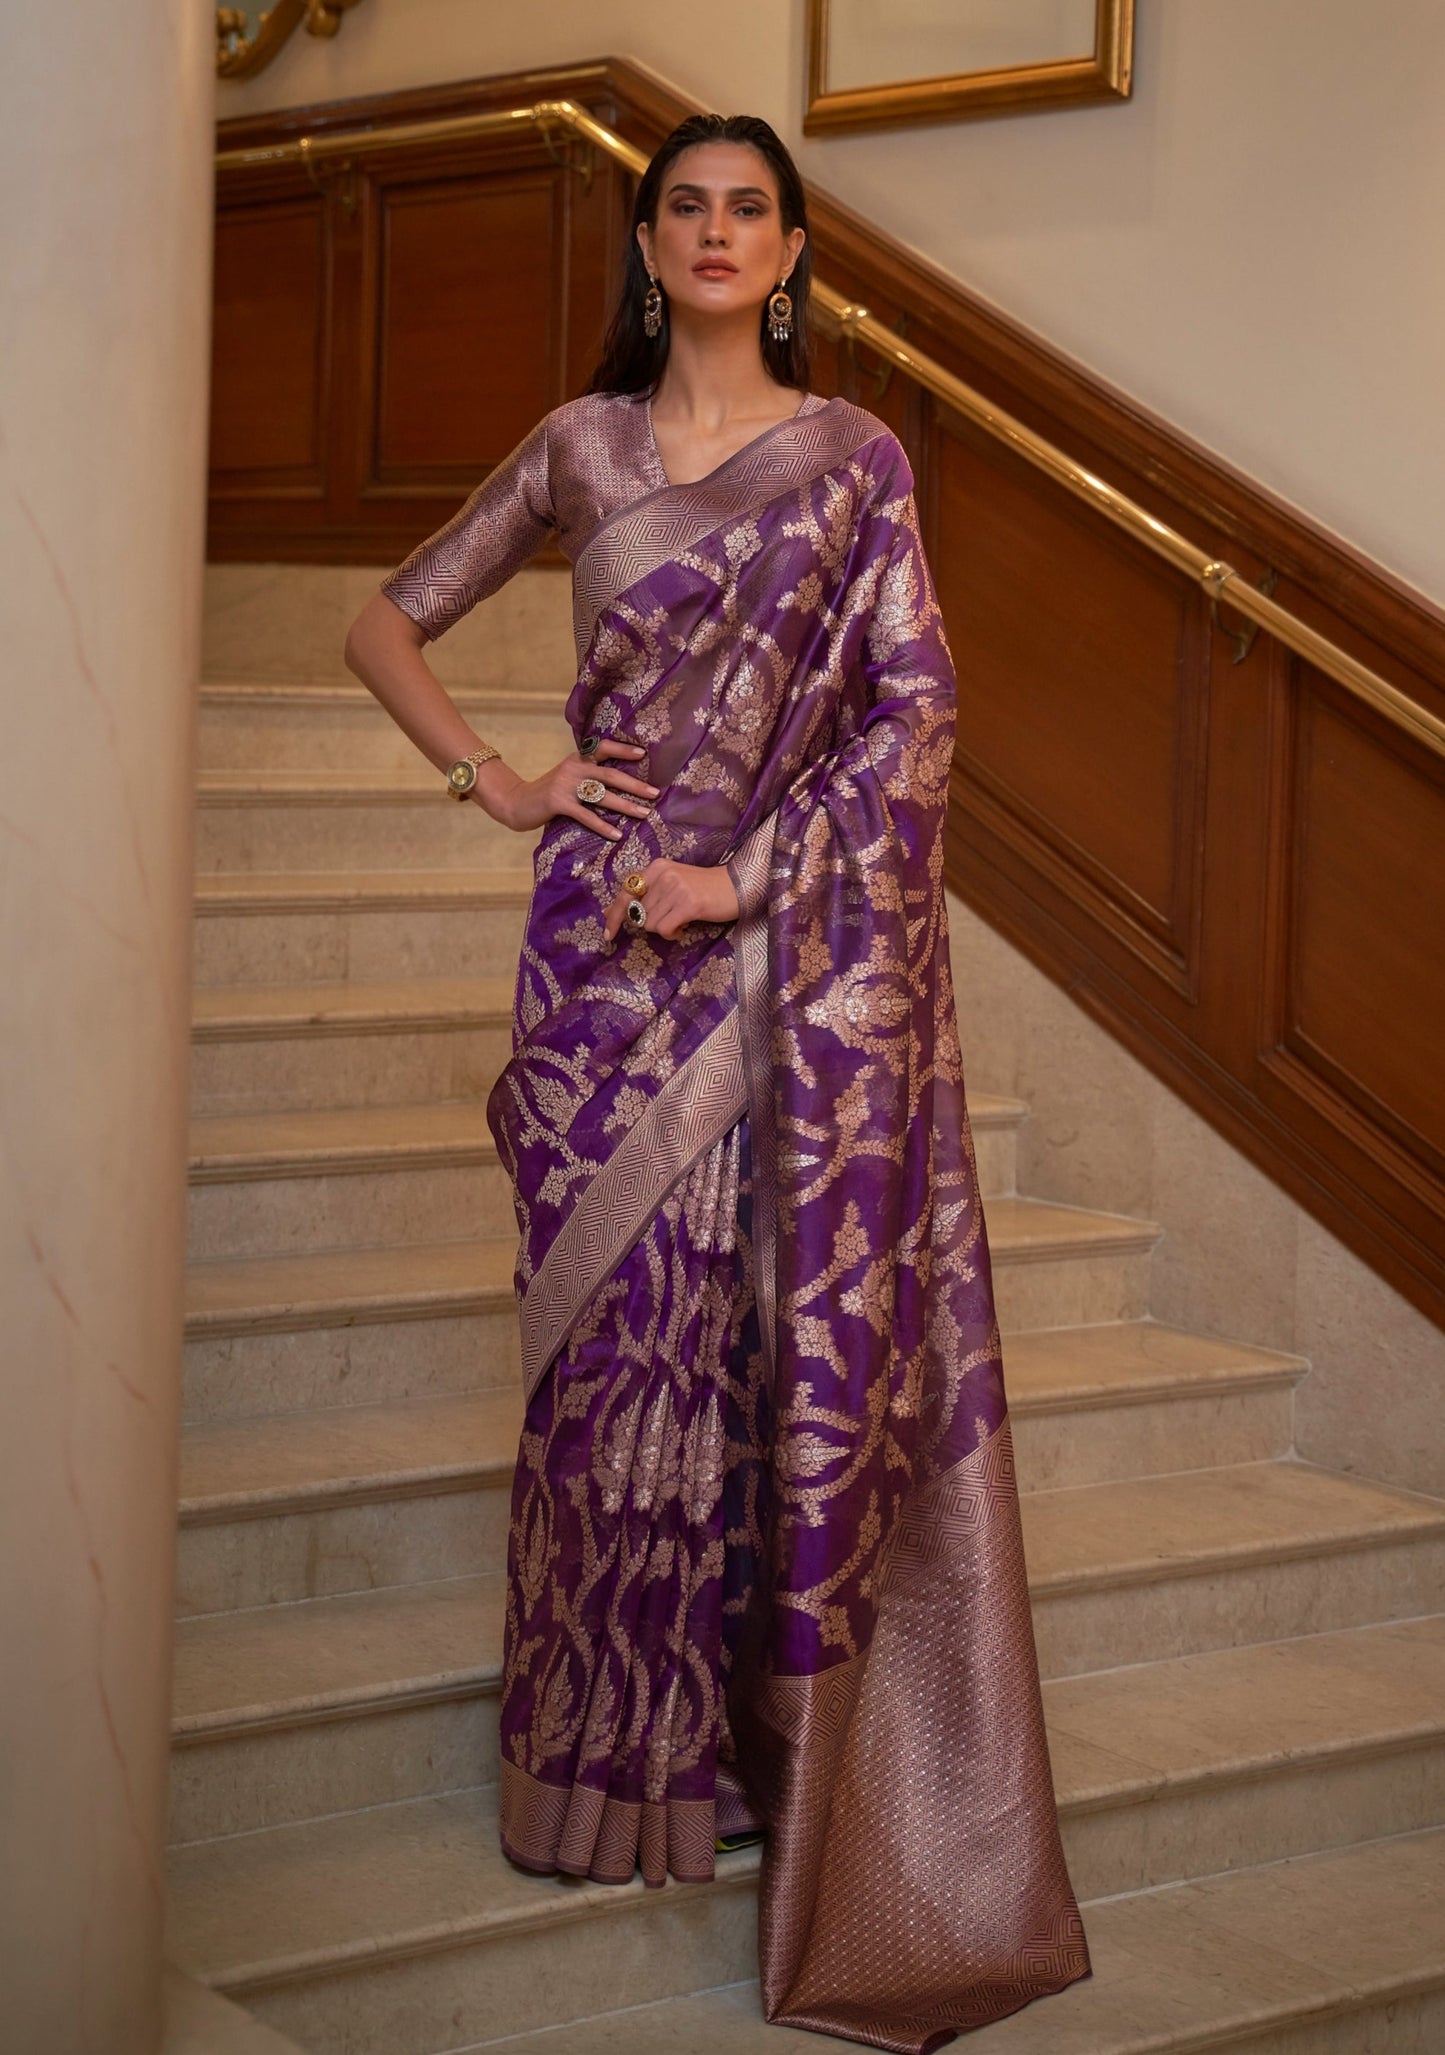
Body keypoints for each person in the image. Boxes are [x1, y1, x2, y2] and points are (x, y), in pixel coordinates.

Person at [344, 109, 1090, 2052]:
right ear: (651, 239)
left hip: (764, 949)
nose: (716, 231)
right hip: (598, 953)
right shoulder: (579, 447)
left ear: (790, 249)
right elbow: (382, 615)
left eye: (749, 207)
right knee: (601, 1357)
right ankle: (596, 1754)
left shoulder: (852, 463)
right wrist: (491, 778)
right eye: (686, 204)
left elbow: (917, 711)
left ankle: (747, 1755)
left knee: (755, 1340)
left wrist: (752, 871)